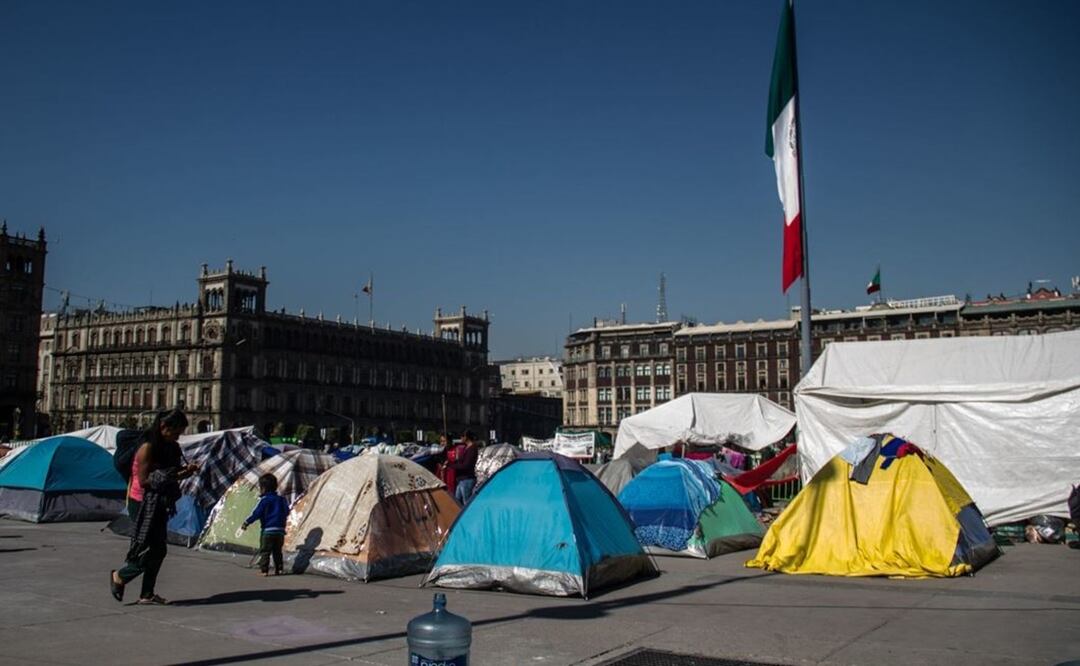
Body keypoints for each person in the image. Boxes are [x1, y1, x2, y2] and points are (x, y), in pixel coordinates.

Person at [110, 409, 197, 605]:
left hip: (160, 501)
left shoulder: (170, 446)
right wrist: (171, 475)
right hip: (141, 502)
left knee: (158, 549)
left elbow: (171, 475)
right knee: (154, 548)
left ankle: (146, 594)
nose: (178, 436)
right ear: (164, 427)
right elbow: (144, 481)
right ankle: (121, 576)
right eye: (176, 432)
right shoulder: (147, 447)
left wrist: (187, 471)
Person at [242, 473, 290, 576]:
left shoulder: (264, 501)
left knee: (265, 551)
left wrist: (247, 522)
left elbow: (256, 513)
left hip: (267, 530)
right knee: (277, 551)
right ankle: (279, 569)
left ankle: (264, 570)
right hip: (280, 531)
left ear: (263, 488)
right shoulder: (282, 500)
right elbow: (287, 511)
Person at [447, 430, 478, 505]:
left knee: (466, 503)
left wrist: (452, 466)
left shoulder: (472, 448)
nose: (460, 438)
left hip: (467, 479)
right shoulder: (466, 447)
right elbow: (461, 461)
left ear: (466, 437)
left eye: (462, 436)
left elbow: (466, 465)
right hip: (461, 479)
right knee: (457, 502)